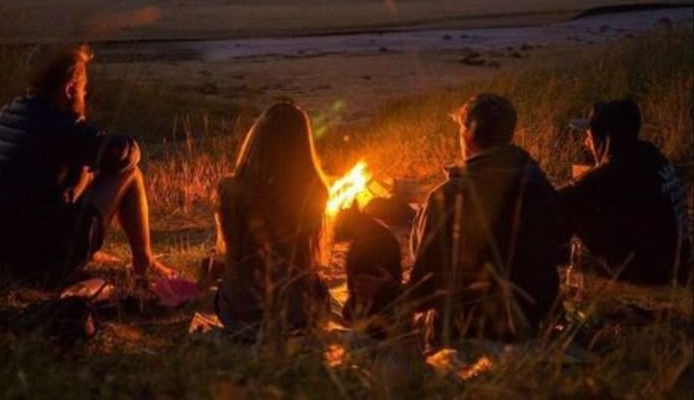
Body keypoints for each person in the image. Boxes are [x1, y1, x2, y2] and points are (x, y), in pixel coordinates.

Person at [359, 93, 567, 344]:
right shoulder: (539, 185)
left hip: (469, 330)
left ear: (467, 134)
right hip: (535, 319)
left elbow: (425, 291)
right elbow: (556, 251)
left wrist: (386, 292)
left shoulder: (448, 196)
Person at [0, 44, 175, 286]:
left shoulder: (8, 113)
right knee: (129, 172)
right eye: (83, 90)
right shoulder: (60, 127)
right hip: (36, 264)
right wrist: (90, 134)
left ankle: (87, 251)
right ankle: (144, 261)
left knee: (87, 168)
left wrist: (87, 165)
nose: (85, 97)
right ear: (69, 90)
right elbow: (127, 153)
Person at [214, 102, 331, 337]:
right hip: (294, 314)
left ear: (256, 139)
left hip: (238, 312)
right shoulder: (315, 191)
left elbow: (230, 251)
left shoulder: (229, 189)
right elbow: (308, 260)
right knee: (320, 292)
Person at [559, 99, 690, 285]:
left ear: (606, 137)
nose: (586, 142)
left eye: (589, 135)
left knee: (573, 209)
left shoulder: (619, 169)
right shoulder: (649, 153)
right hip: (678, 262)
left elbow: (564, 197)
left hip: (649, 272)